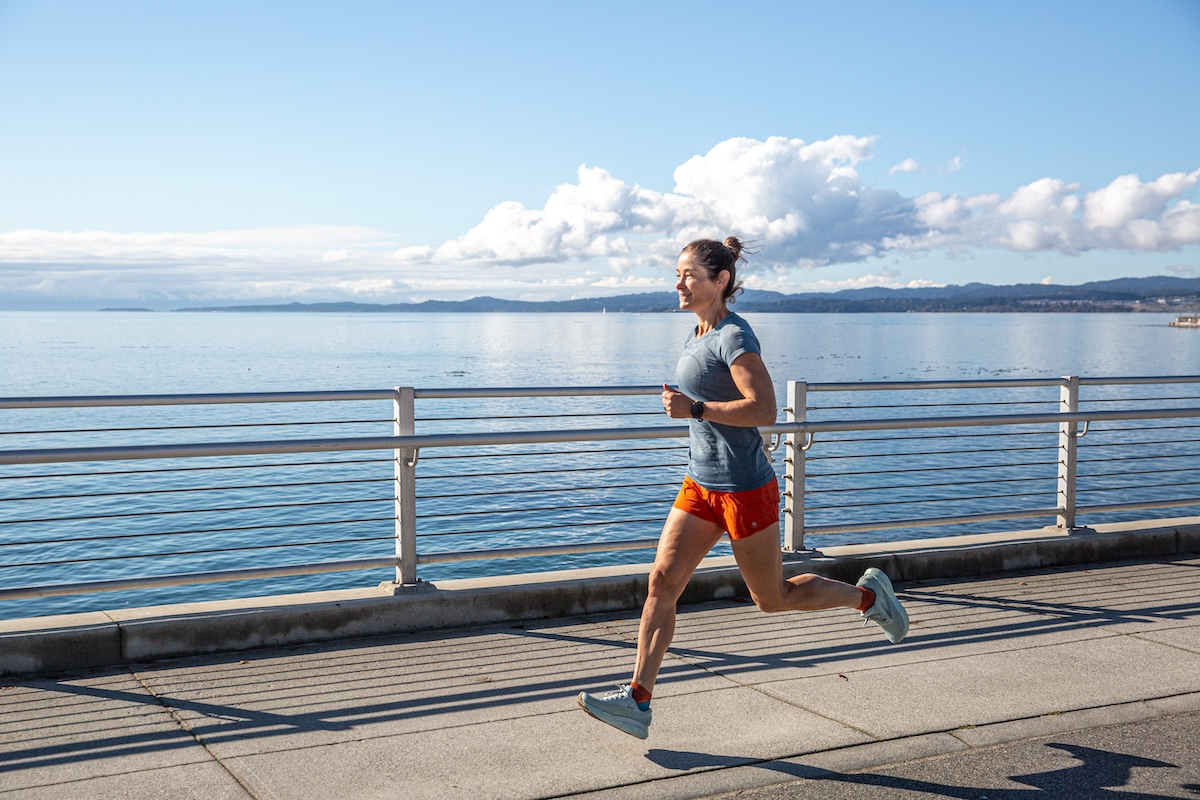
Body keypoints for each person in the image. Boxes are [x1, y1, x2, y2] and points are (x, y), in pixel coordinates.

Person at [577, 236, 908, 740]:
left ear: (720, 281)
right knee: (662, 582)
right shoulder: (698, 331)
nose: (678, 282)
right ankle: (638, 701)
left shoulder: (734, 336)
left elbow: (764, 410)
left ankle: (868, 597)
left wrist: (694, 409)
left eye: (689, 274)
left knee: (771, 598)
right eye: (678, 273)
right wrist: (692, 407)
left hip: (744, 489)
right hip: (700, 484)